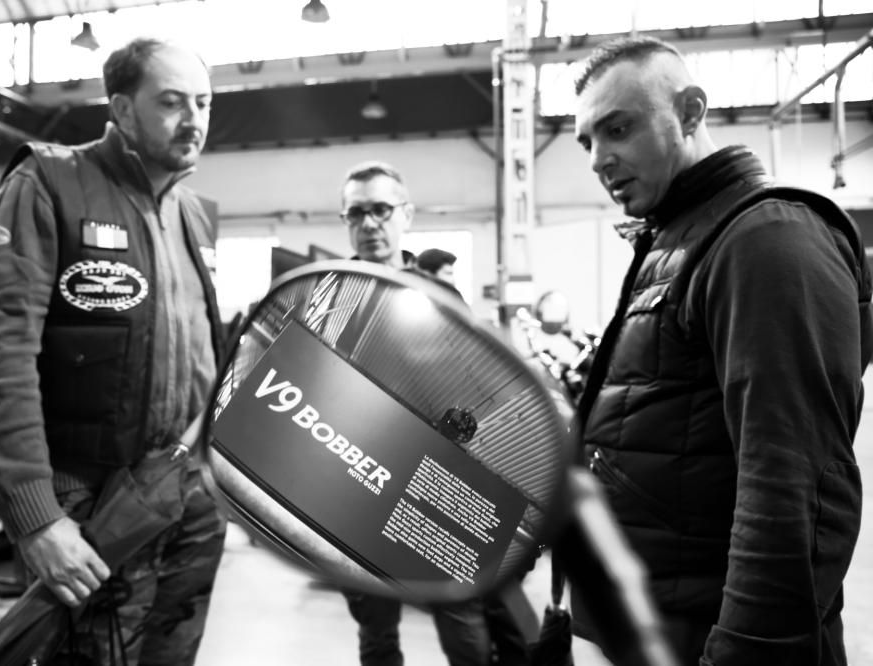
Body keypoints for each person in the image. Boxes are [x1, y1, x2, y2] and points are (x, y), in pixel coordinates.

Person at [570, 35, 872, 665]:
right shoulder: (676, 240)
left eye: (618, 129)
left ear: (689, 112)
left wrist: (746, 653)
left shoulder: (767, 237)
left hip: (704, 639)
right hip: (646, 626)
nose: (599, 159)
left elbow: (792, 490)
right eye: (587, 142)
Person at [0, 37, 228, 665]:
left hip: (186, 497)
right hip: (88, 505)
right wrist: (37, 518)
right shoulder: (49, 182)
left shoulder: (195, 214)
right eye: (172, 102)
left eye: (204, 103)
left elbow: (202, 354)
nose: (193, 119)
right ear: (123, 109)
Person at [338, 160, 538, 666]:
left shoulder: (441, 296)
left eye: (381, 209)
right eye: (356, 213)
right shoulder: (331, 295)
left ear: (406, 214)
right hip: (355, 479)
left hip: (436, 478)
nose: (369, 223)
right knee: (375, 627)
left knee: (460, 613)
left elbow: (475, 386)